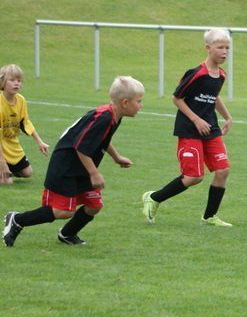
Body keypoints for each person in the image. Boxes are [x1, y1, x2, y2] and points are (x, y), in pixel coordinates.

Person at [3, 76, 144, 247]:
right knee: (63, 211)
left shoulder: (114, 116)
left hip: (81, 166)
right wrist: (94, 173)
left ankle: (67, 234)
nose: (141, 106)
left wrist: (116, 157)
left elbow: (102, 139)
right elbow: (81, 147)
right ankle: (17, 219)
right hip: (66, 166)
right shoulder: (104, 117)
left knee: (94, 205)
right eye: (139, 101)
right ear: (125, 103)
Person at [142, 28, 234, 226]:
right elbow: (177, 98)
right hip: (190, 129)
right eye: (220, 47)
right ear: (208, 48)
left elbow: (214, 97)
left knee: (223, 171)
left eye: (227, 48)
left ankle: (209, 216)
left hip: (211, 128)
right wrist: (196, 119)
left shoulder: (221, 74)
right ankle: (154, 198)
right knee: (194, 177)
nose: (225, 52)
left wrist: (227, 117)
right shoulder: (196, 73)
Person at [0, 63, 49, 184]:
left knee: (28, 173)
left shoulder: (21, 100)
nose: (17, 83)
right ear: (2, 82)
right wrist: (2, 163)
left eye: (19, 80)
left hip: (11, 144)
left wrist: (40, 142)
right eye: (12, 80)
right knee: (7, 182)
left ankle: (8, 169)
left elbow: (25, 122)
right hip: (1, 146)